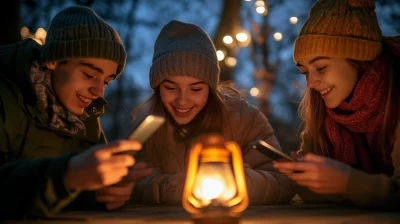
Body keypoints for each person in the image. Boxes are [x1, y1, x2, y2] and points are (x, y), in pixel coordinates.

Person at [0, 5, 151, 220]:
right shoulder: (6, 95)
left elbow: (78, 191)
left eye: (106, 82)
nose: (98, 91)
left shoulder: (85, 118)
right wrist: (67, 174)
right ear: (53, 60)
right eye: (89, 74)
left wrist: (102, 191)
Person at [130, 20, 294, 205]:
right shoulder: (148, 127)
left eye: (196, 89)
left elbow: (283, 180)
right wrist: (164, 188)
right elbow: (129, 180)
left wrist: (236, 181)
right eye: (170, 87)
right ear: (157, 87)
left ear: (210, 88)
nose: (182, 100)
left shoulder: (244, 119)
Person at [273, 0, 400, 208]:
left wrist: (346, 183)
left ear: (358, 58)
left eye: (321, 67)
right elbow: (308, 193)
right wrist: (307, 174)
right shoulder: (325, 110)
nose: (311, 83)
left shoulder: (395, 95)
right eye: (304, 71)